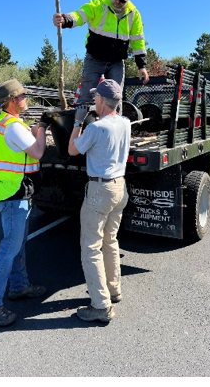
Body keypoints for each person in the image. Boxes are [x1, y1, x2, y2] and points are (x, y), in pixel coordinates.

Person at [0, 80, 48, 327]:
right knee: (10, 247)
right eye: (23, 95)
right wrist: (41, 129)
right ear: (12, 101)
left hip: (14, 191)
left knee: (17, 244)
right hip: (12, 194)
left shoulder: (10, 122)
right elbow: (38, 152)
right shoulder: (14, 126)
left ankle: (19, 286)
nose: (26, 98)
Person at [68, 79, 132, 322]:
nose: (93, 100)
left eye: (96, 98)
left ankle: (100, 306)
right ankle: (114, 290)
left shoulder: (96, 128)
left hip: (100, 191)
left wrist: (77, 122)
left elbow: (73, 150)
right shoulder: (124, 123)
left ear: (103, 101)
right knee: (110, 240)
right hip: (119, 187)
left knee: (91, 246)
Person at [53, 0, 149, 125]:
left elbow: (138, 41)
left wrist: (142, 66)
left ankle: (113, 133)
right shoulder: (98, 4)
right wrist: (65, 19)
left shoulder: (134, 14)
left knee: (115, 98)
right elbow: (80, 15)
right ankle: (79, 134)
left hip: (117, 62)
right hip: (94, 59)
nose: (118, 1)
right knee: (85, 97)